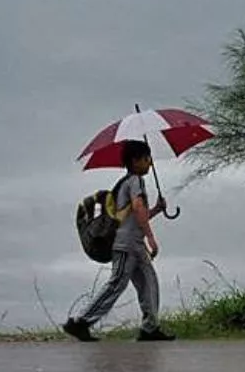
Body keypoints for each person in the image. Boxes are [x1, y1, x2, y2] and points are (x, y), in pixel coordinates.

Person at [63, 139, 176, 342]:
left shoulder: (126, 184)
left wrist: (157, 210)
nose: (150, 163)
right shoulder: (135, 181)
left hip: (135, 245)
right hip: (126, 245)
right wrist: (151, 237)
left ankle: (150, 328)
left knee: (149, 281)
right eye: (146, 158)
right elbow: (138, 208)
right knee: (116, 284)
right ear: (135, 161)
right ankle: (80, 322)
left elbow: (135, 216)